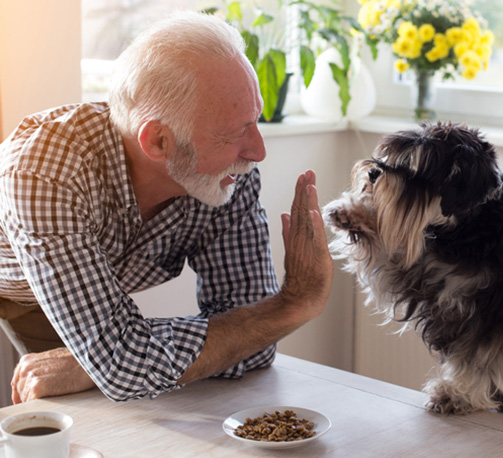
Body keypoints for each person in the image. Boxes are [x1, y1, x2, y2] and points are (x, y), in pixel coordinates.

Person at [0, 11, 333, 403]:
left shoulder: (227, 175)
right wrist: (295, 303)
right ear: (158, 141)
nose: (258, 151)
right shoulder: (45, 172)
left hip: (91, 288)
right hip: (14, 288)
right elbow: (125, 367)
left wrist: (113, 359)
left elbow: (256, 342)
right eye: (235, 132)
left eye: (255, 120)